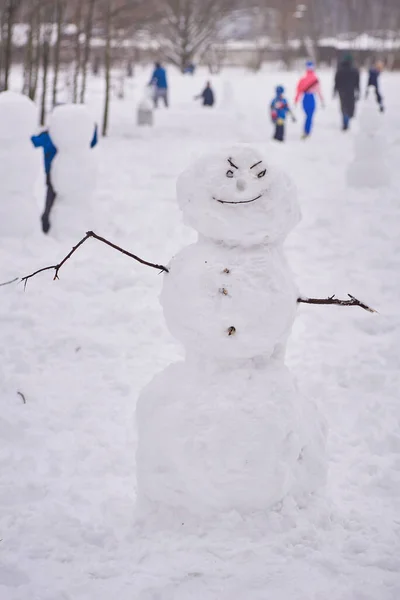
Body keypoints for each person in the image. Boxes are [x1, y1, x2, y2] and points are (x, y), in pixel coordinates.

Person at [31, 123, 98, 233]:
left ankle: (52, 224)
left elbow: (90, 142)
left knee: (59, 199)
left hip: (68, 173)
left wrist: (92, 128)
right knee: (53, 199)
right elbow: (33, 142)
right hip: (53, 173)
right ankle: (47, 223)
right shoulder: (51, 135)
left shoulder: (64, 136)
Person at [294, 61, 324, 139]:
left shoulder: (303, 79)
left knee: (307, 115)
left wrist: (296, 100)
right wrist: (322, 100)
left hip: (305, 98)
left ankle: (306, 130)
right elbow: (319, 91)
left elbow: (298, 90)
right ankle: (307, 131)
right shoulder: (315, 79)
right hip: (311, 98)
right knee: (310, 116)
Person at [334, 53, 360, 131]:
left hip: (341, 91)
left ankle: (345, 121)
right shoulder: (355, 70)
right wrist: (358, 91)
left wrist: (335, 90)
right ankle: (347, 120)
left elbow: (336, 81)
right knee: (349, 106)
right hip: (350, 91)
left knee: (344, 106)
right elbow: (357, 82)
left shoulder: (340, 69)